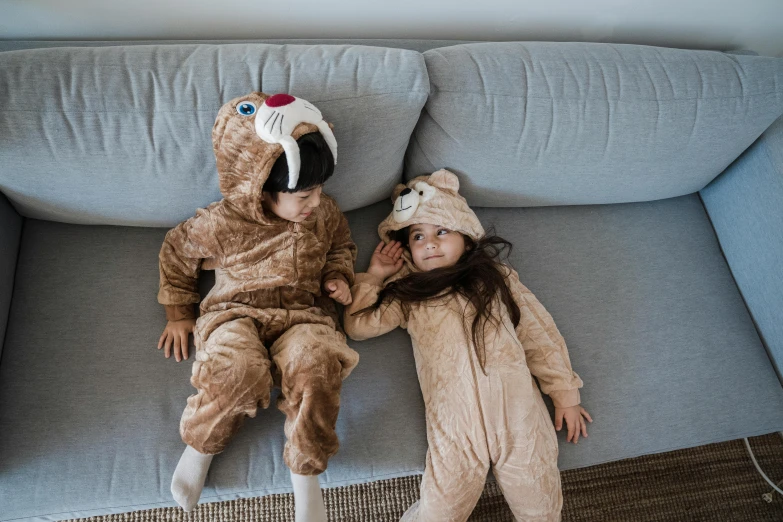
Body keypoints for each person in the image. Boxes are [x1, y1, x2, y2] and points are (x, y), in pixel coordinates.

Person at [345, 169, 592, 521]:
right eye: (417, 236)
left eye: (440, 231)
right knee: (442, 509)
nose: (429, 243)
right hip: (454, 425)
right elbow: (358, 325)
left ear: (465, 236)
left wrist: (565, 393)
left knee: (540, 504)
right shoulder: (409, 295)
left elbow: (539, 332)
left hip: (519, 416)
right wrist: (375, 275)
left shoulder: (496, 279)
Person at [157, 92, 358, 522]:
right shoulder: (224, 222)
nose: (316, 203)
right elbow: (177, 250)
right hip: (235, 312)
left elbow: (341, 244)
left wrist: (338, 277)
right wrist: (180, 312)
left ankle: (305, 478)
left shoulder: (324, 216)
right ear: (262, 190)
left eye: (320, 191)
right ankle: (201, 446)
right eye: (304, 196)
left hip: (305, 315)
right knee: (237, 373)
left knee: (318, 366)